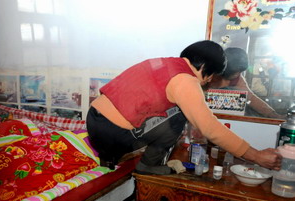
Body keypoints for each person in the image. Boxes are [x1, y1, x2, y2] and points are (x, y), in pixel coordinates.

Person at [86, 40, 281, 175]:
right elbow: (210, 128)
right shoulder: (186, 81)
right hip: (113, 134)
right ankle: (149, 165)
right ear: (206, 68)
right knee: (180, 114)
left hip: (94, 121)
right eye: (211, 75)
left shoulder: (165, 63)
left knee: (175, 110)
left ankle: (109, 157)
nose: (209, 81)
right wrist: (256, 156)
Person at [207, 47, 285, 119]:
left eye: (240, 72)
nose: (237, 74)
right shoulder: (209, 74)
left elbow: (251, 98)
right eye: (235, 72)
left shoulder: (238, 79)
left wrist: (271, 114)